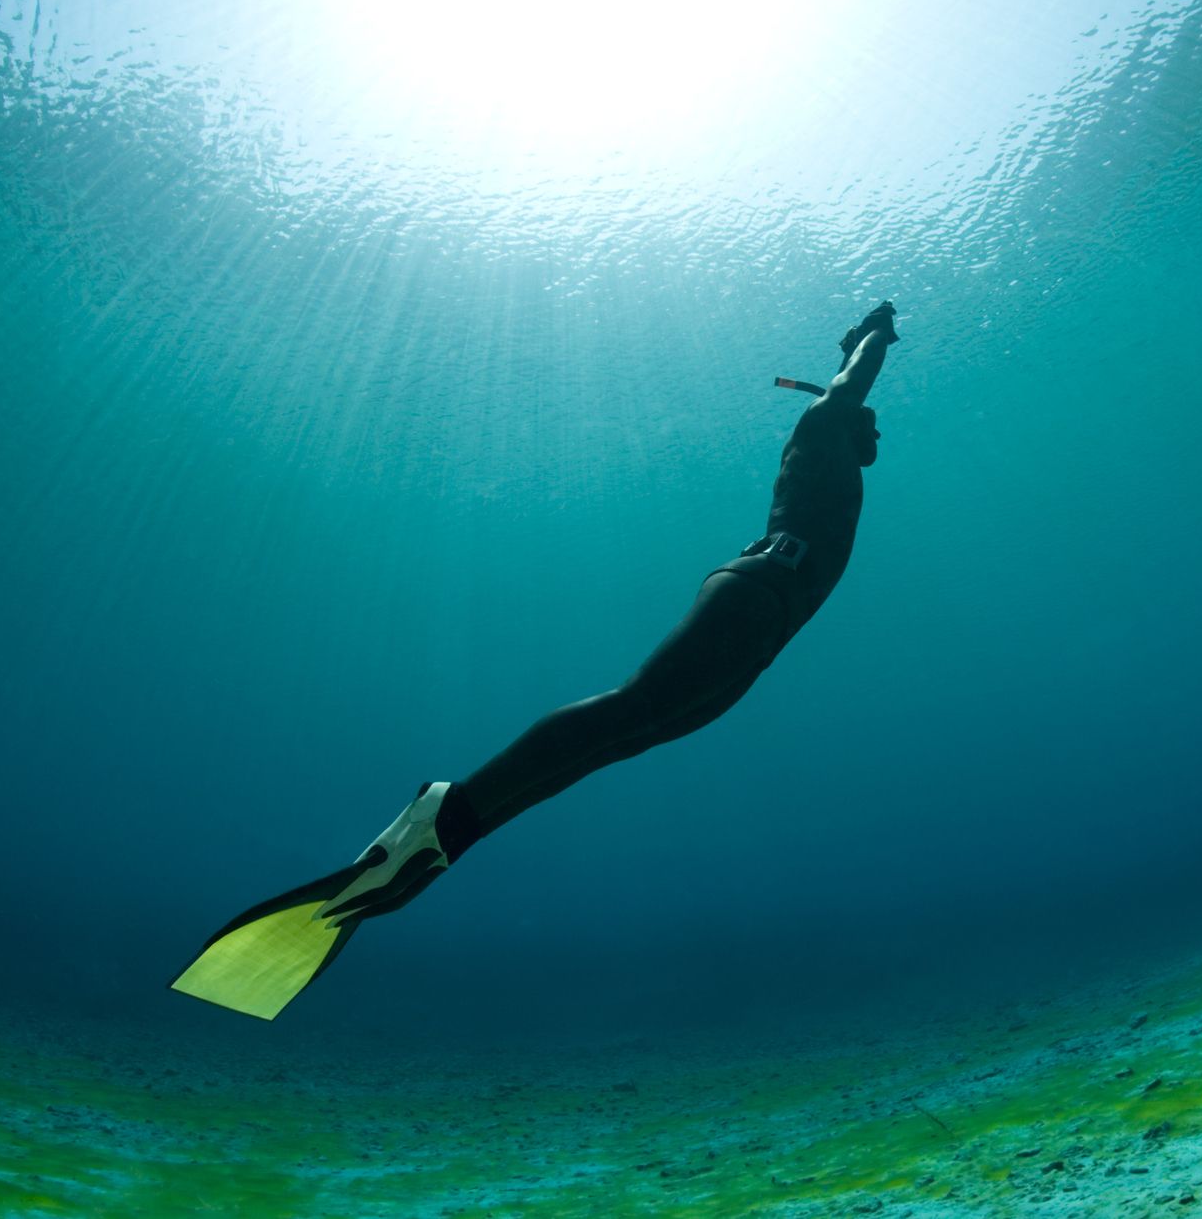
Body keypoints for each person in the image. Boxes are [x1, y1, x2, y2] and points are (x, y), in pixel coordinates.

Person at [171, 302, 902, 1019]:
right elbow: (851, 383)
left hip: (771, 624)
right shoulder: (823, 424)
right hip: (758, 590)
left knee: (627, 737)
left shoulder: (843, 464)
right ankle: (440, 813)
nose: (871, 430)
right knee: (632, 710)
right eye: (863, 420)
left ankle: (438, 847)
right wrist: (874, 336)